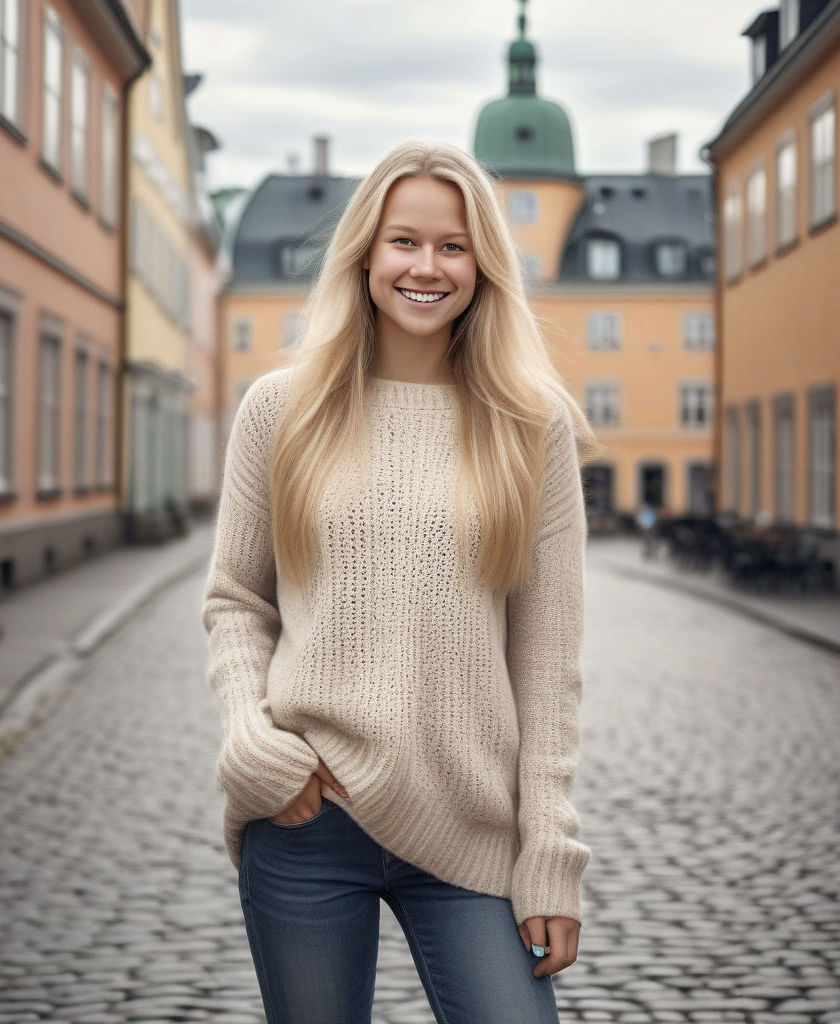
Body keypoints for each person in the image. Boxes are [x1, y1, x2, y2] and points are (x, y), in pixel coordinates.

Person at [201, 140, 605, 1024]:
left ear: (483, 266)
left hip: (471, 833)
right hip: (309, 820)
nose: (428, 266)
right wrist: (254, 743)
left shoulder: (528, 428)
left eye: (454, 246)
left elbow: (547, 661)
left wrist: (550, 851)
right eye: (405, 241)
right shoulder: (281, 407)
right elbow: (237, 599)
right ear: (367, 254)